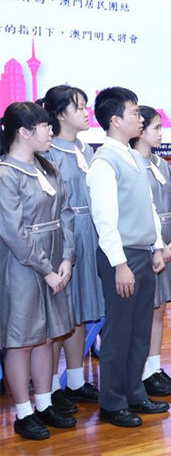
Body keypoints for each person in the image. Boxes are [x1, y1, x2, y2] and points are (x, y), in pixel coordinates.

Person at [85, 87, 168, 427]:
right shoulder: (104, 162)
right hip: (121, 257)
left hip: (143, 253)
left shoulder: (135, 157)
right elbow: (105, 219)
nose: (140, 118)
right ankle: (112, 402)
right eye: (134, 112)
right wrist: (120, 264)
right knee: (119, 333)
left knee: (139, 331)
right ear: (115, 120)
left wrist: (159, 245)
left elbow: (148, 207)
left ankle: (135, 393)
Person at [0, 102, 77, 440]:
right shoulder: (6, 174)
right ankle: (23, 411)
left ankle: (44, 402)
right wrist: (46, 269)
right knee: (21, 341)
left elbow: (67, 214)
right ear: (24, 132)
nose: (49, 132)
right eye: (44, 126)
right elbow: (13, 233)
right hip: (22, 266)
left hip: (54, 261)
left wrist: (67, 258)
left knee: (47, 336)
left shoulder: (49, 167)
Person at [38, 85, 102, 412]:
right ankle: (50, 389)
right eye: (79, 107)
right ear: (60, 114)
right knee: (60, 317)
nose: (85, 112)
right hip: (65, 238)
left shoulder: (87, 149)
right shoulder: (48, 152)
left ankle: (75, 380)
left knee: (80, 313)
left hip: (89, 234)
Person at [130, 106, 171, 396]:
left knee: (159, 310)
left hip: (167, 247)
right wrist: (157, 249)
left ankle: (154, 367)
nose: (161, 133)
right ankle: (140, 372)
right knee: (145, 311)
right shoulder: (131, 164)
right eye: (156, 128)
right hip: (147, 250)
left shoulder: (162, 164)